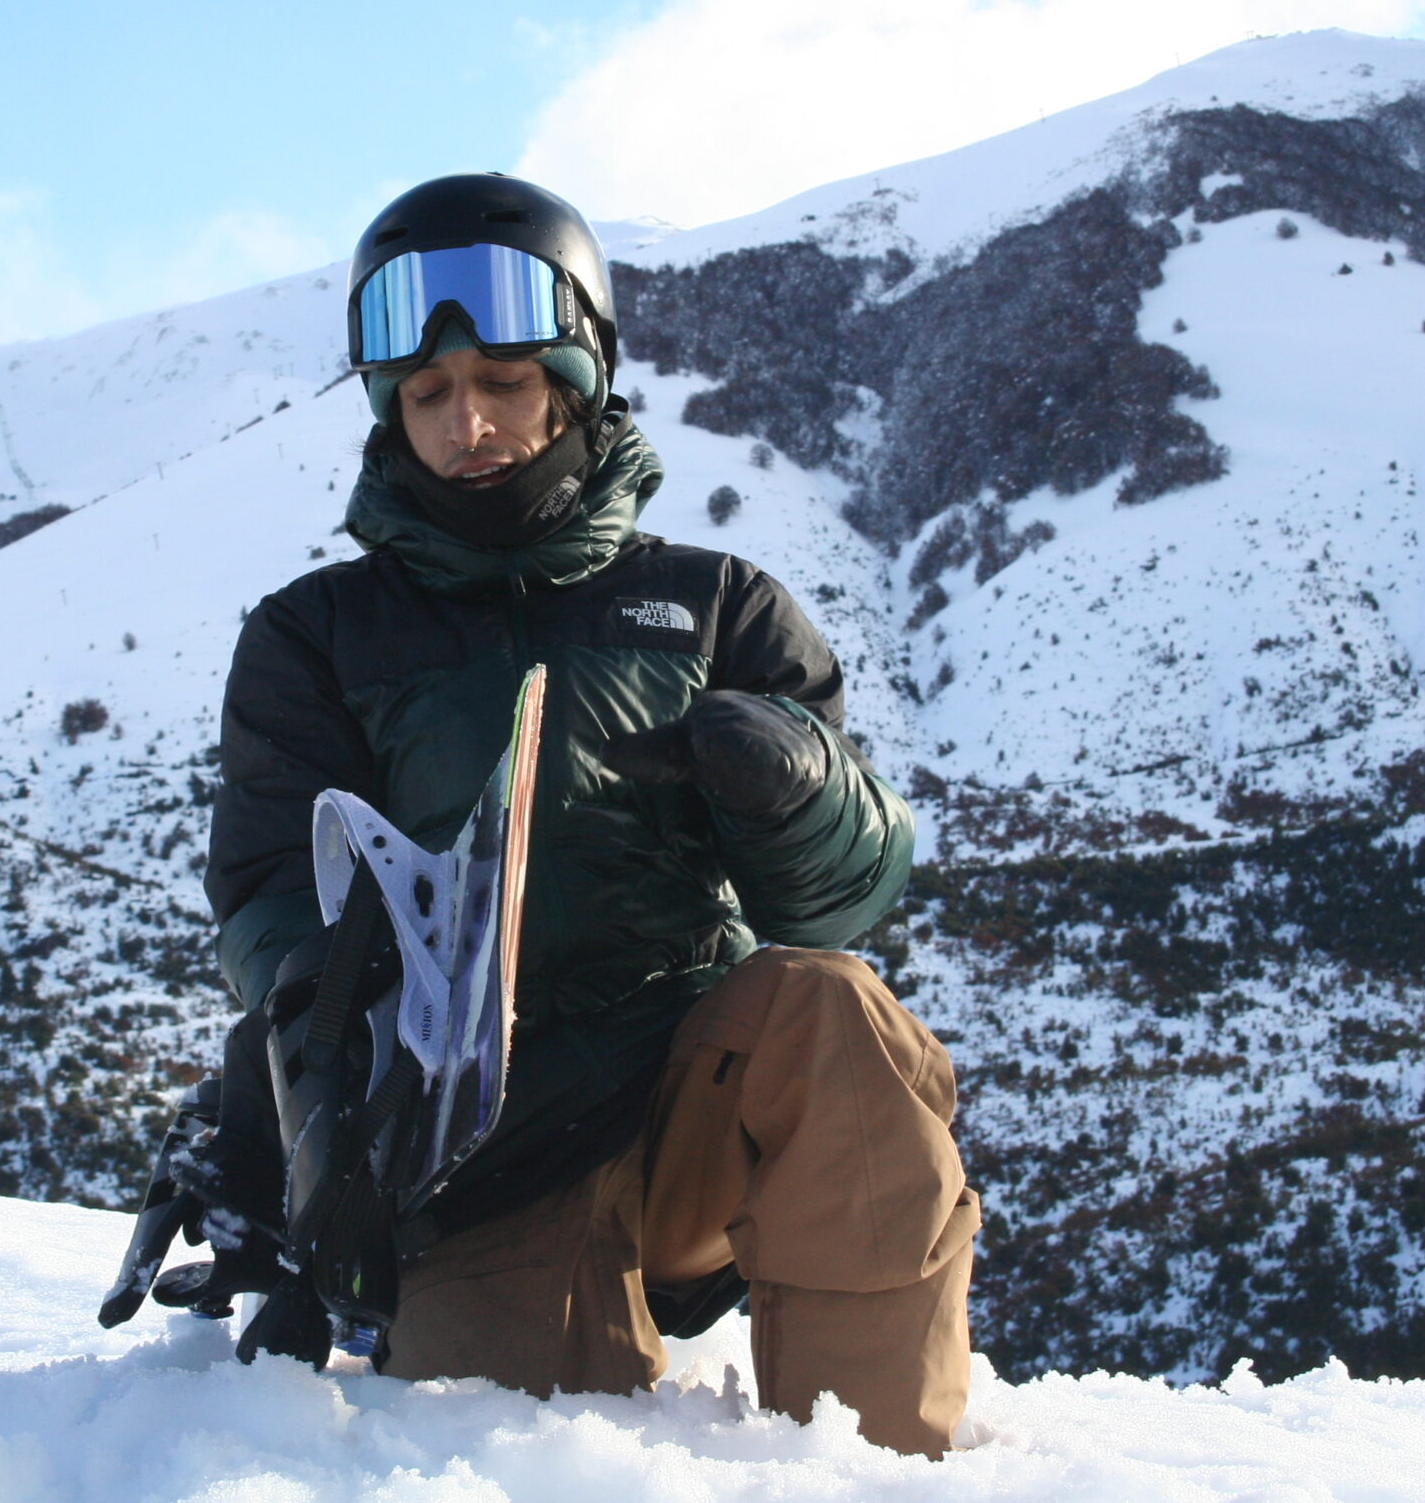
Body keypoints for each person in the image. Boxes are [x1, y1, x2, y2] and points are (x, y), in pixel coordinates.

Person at [193, 173, 980, 1455]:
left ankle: (880, 1468)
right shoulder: (316, 635)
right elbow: (274, 889)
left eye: (503, 382)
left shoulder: (719, 604)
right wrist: (317, 1078)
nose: (469, 423)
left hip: (689, 1086)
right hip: (469, 1142)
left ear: (575, 379)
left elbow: (840, 895)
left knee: (835, 1009)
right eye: (430, 394)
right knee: (529, 1456)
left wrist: (789, 781)